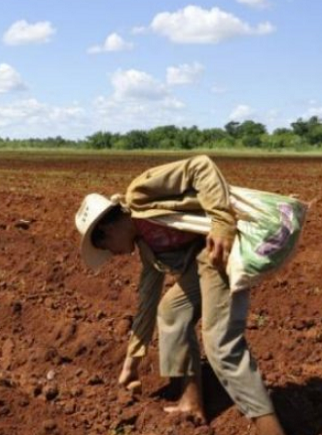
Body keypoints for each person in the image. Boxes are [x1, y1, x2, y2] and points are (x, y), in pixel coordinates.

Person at [74, 155, 285, 435]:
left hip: (218, 251)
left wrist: (222, 223)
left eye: (106, 247)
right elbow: (146, 307)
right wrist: (131, 365)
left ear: (107, 228)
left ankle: (269, 428)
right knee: (170, 311)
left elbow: (200, 166)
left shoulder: (141, 194)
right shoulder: (149, 251)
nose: (112, 254)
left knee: (220, 343)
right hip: (202, 261)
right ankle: (191, 401)